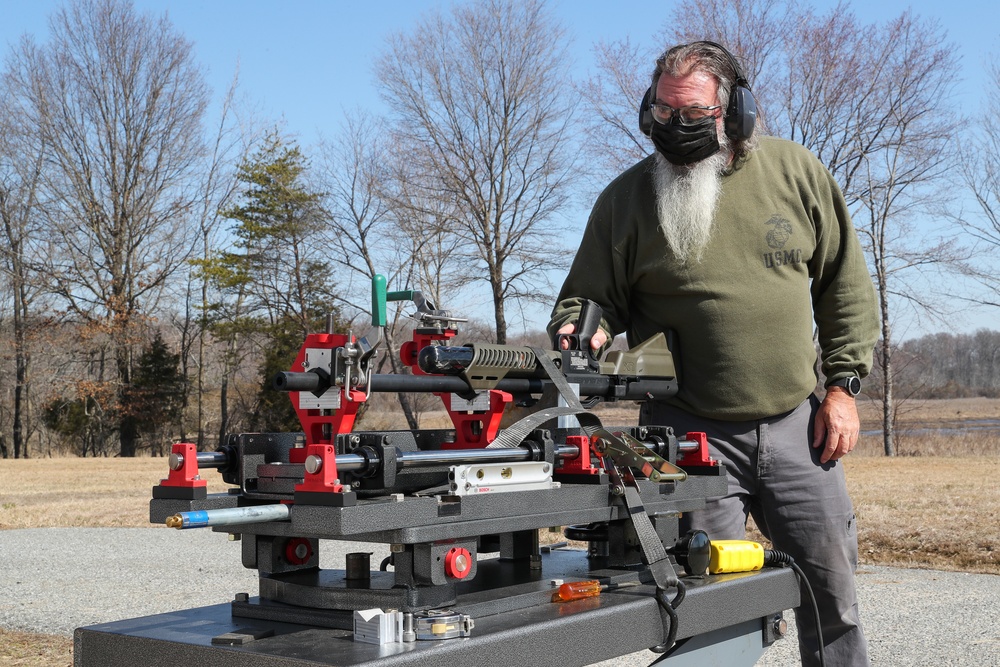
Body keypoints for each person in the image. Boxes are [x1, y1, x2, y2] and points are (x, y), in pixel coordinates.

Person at [548, 41, 878, 666]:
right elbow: (585, 299)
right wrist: (581, 330)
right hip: (684, 433)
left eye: (692, 115)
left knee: (832, 598)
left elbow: (846, 284)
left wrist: (842, 388)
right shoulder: (627, 199)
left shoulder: (796, 173)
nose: (675, 129)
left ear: (737, 112)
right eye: (663, 114)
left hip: (797, 425)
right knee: (704, 609)